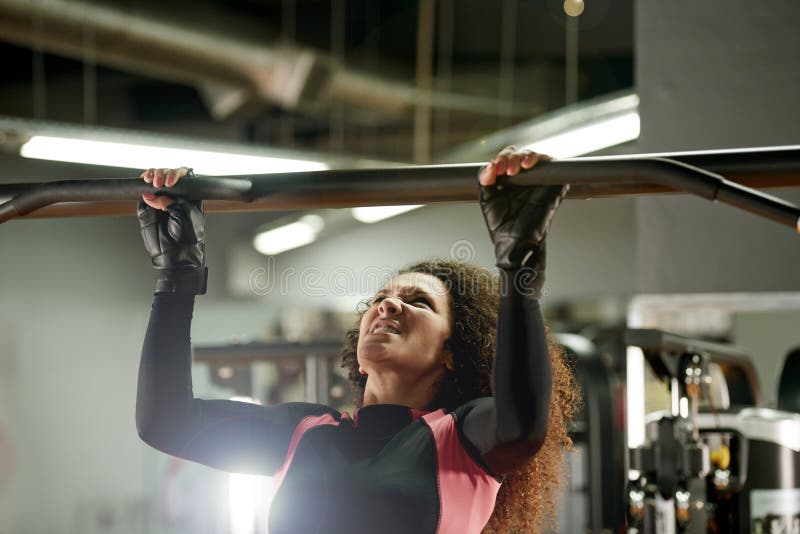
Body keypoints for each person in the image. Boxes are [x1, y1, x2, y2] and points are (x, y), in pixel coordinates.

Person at [136, 147, 580, 534]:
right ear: (359, 359)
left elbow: (521, 426)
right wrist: (176, 278)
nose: (388, 306)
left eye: (418, 302)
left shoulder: (460, 438)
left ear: (452, 351)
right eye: (380, 298)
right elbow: (166, 422)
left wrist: (518, 265)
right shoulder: (302, 431)